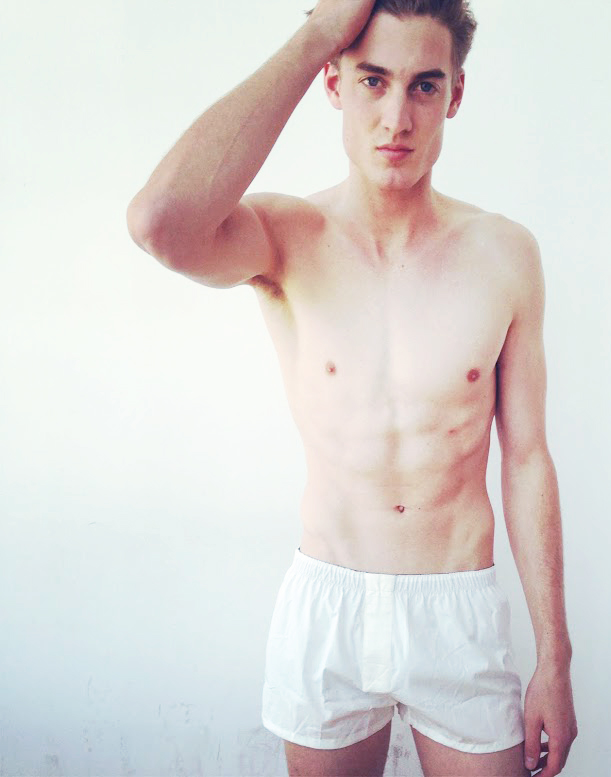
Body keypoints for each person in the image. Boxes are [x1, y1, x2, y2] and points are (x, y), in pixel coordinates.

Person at [127, 1, 577, 774]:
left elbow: (528, 458)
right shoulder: (284, 238)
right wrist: (314, 36)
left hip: (457, 607)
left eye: (423, 85)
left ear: (455, 94)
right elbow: (160, 223)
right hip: (327, 604)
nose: (396, 117)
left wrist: (555, 659)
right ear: (334, 84)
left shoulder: (504, 254)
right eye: (372, 80)